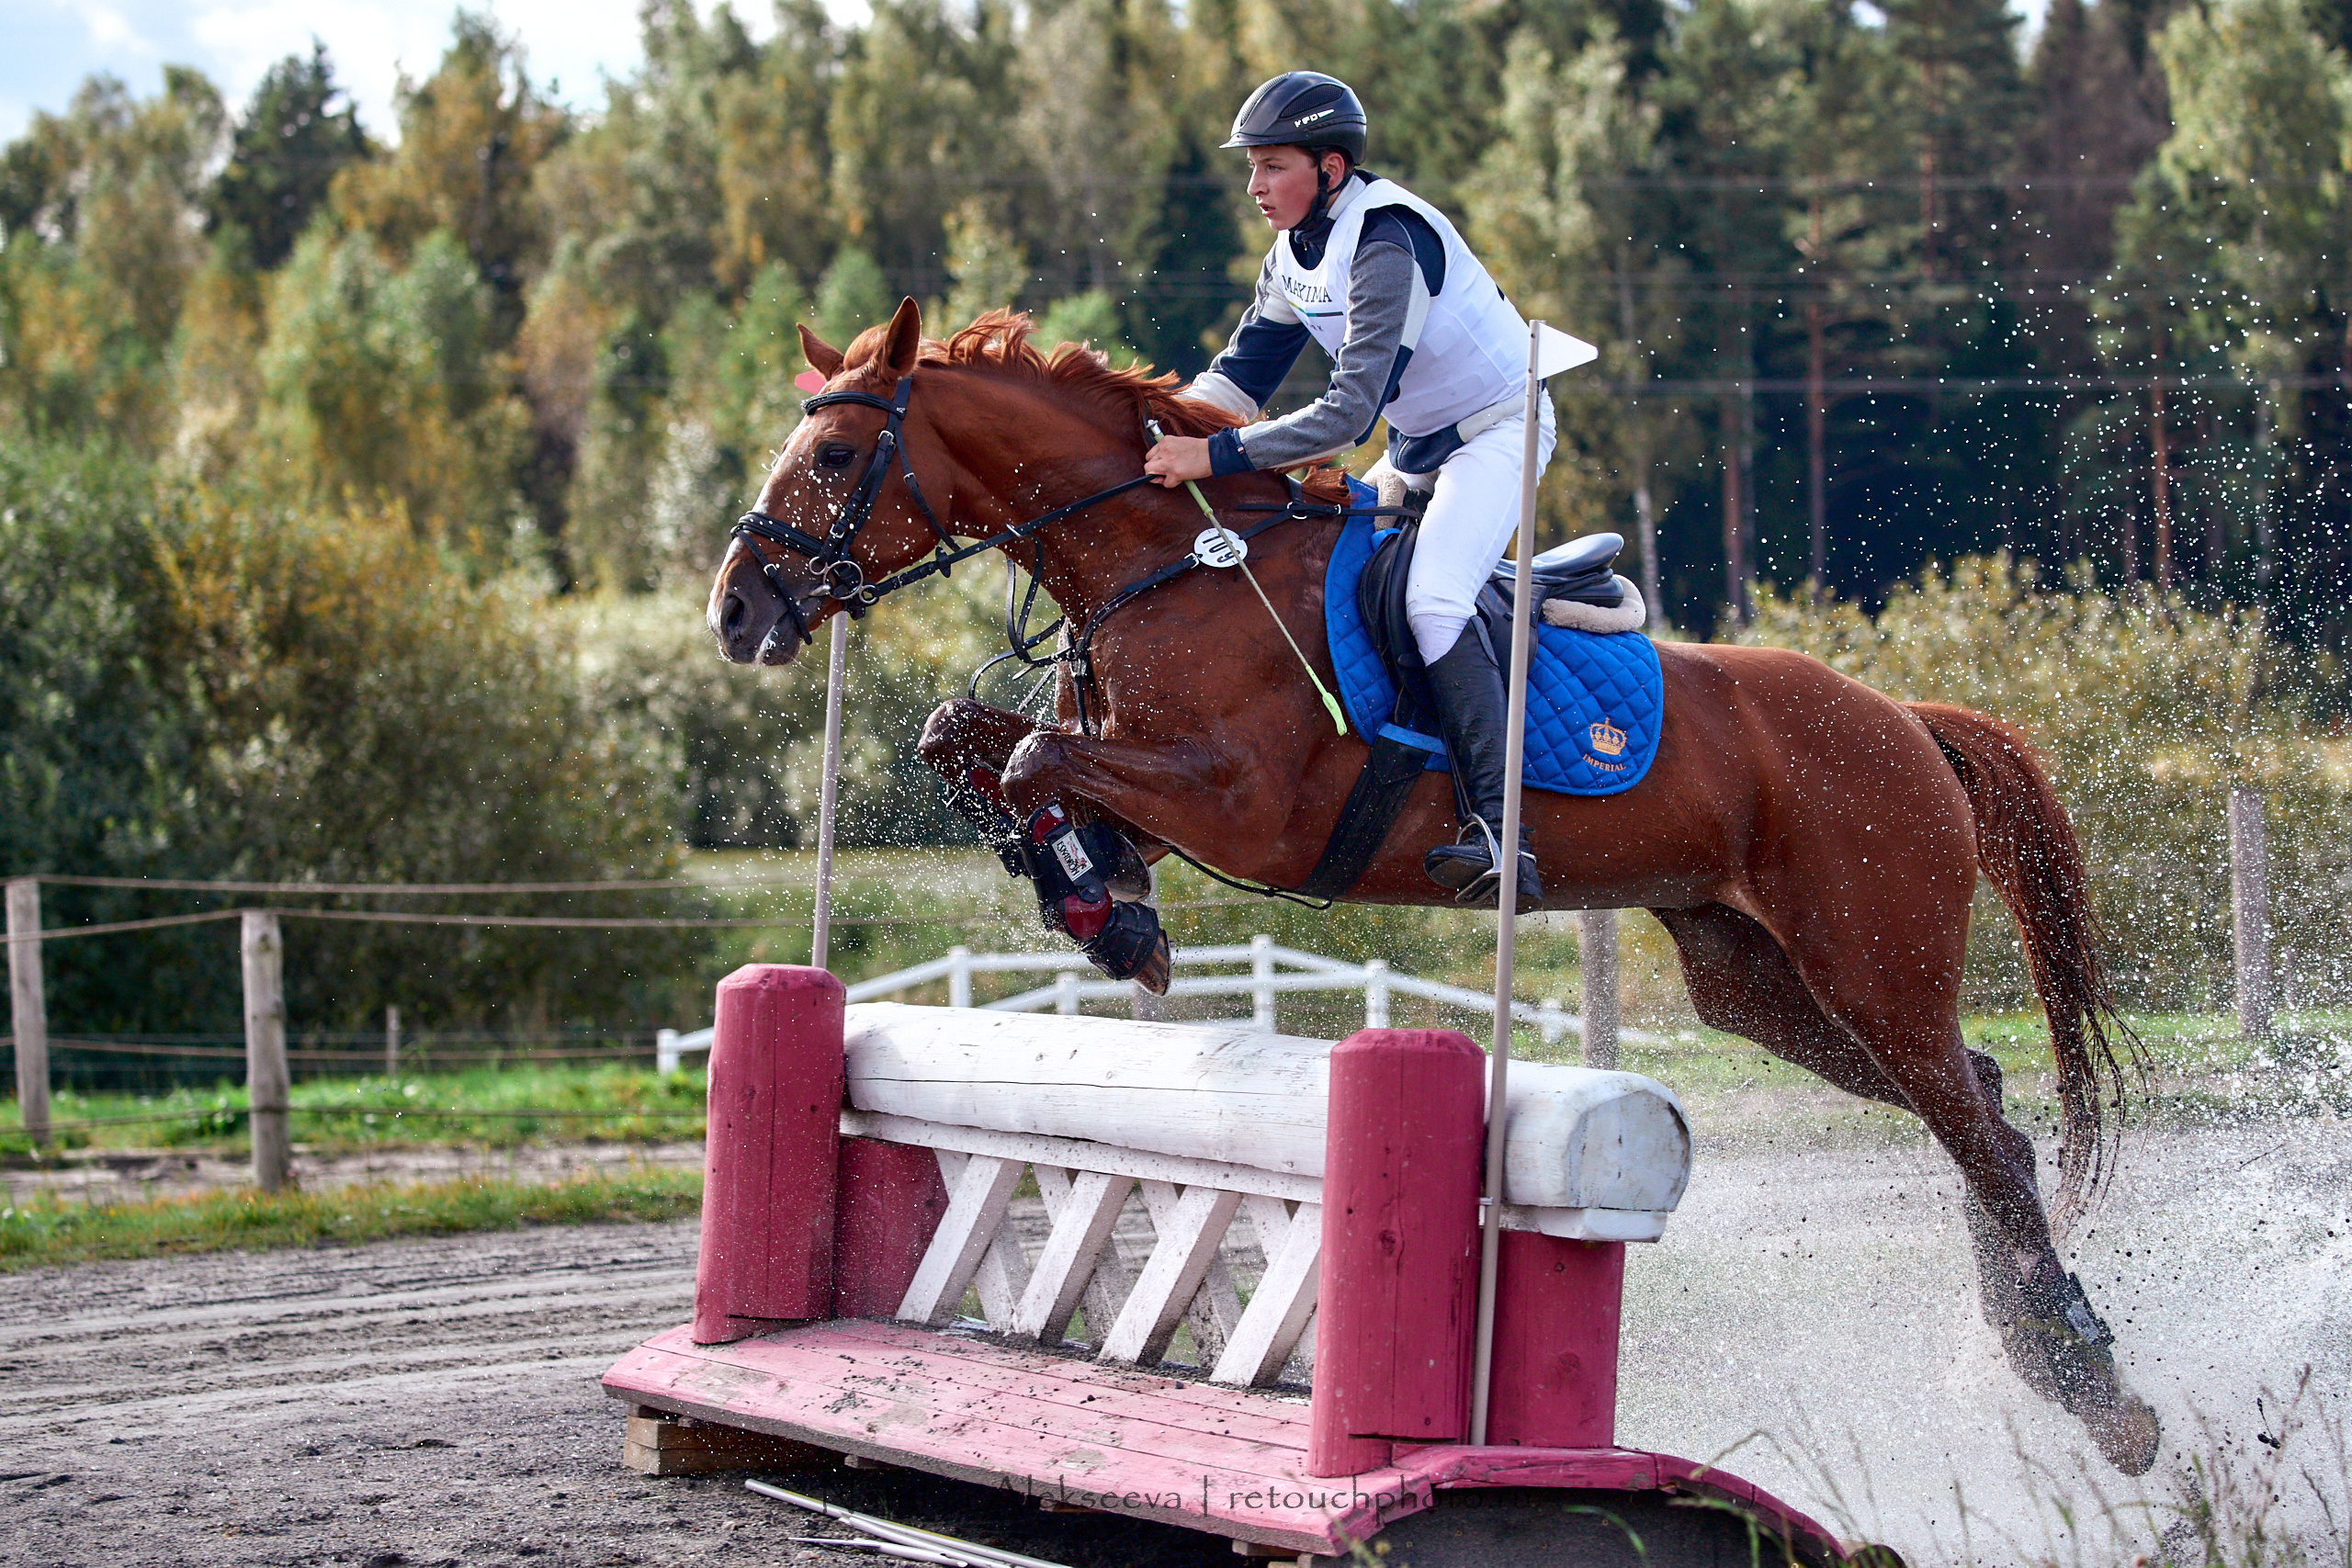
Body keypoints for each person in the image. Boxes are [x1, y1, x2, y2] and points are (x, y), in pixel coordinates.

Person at [1144, 71, 1555, 909]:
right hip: (1421, 443)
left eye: (1273, 166)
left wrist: (1212, 457)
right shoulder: (1293, 253)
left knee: (1435, 600)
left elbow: (1346, 416)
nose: (1255, 186)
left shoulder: (1383, 245)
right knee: (1322, 571)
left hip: (1499, 434)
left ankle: (1501, 834)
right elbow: (1234, 385)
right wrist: (1136, 435)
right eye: (1251, 167)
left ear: (1330, 169)